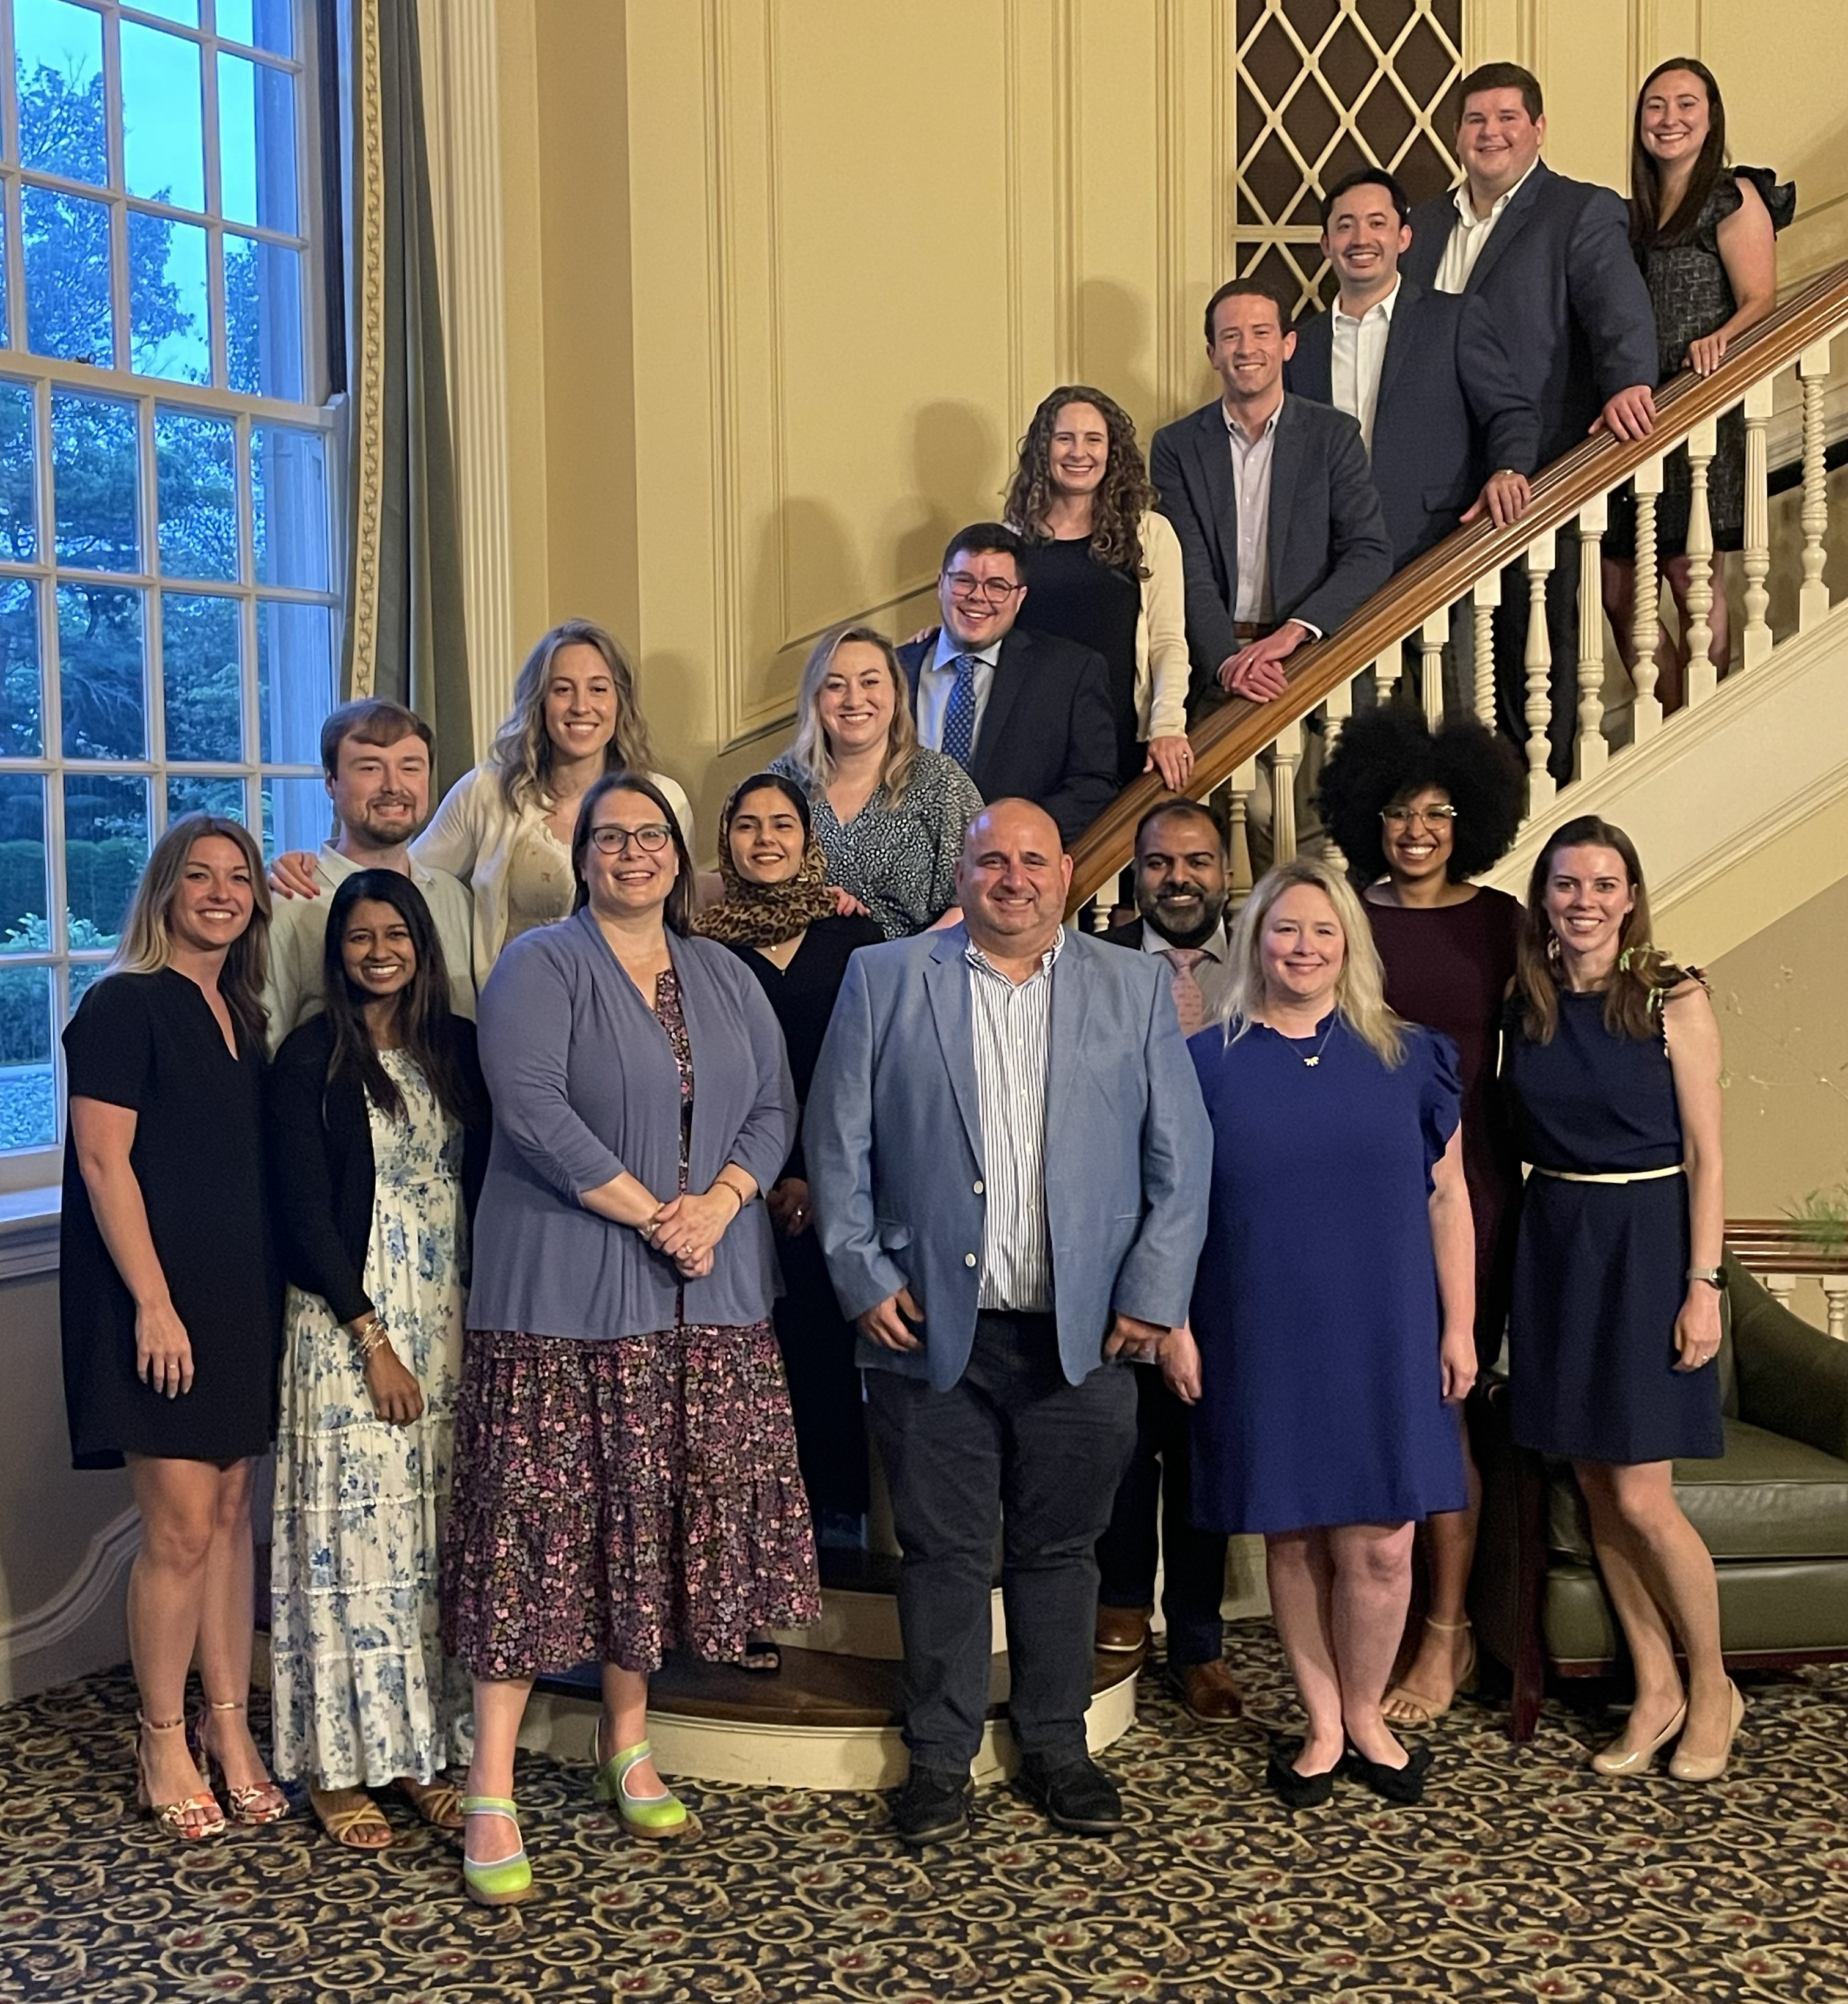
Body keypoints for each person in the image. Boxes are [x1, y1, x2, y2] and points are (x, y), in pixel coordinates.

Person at [440, 772, 816, 1904]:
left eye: (653, 835)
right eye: (613, 837)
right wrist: (656, 1210)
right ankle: (490, 1783)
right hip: (565, 1291)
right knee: (534, 1525)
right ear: (583, 854)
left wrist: (721, 1201)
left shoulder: (721, 971)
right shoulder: (538, 964)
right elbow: (534, 1109)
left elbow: (771, 1105)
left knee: (649, 1523)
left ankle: (627, 1737)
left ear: (679, 855)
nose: (635, 853)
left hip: (704, 1293)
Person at [805, 799, 1211, 1848]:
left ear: (1066, 873)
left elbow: (1181, 1158)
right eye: (993, 859)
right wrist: (858, 1274)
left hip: (1086, 1334)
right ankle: (937, 1759)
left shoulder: (1130, 988)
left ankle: (1054, 1746)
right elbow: (835, 1144)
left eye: (1034, 859)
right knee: (939, 1554)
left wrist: (1153, 1295)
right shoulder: (885, 979)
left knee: (1060, 1549)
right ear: (961, 871)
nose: (1014, 877)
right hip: (925, 1326)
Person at [1174, 857, 1476, 1808]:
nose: (1303, 948)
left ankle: (1370, 1714)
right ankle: (1323, 1722)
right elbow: (1173, 1206)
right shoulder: (1205, 1060)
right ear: (1256, 939)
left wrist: (1460, 1322)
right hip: (1259, 1322)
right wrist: (1175, 1322)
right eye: (1284, 929)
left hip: (1386, 1325)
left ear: (1351, 945)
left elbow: (1448, 1196)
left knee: (1384, 1540)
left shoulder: (1410, 1054)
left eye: (1323, 932)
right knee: (1295, 1534)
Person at [59, 813, 286, 1841]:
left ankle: (229, 1726)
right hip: (158, 1303)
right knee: (183, 1527)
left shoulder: (241, 1008)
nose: (220, 891)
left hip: (242, 1297)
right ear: (162, 890)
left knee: (234, 1513)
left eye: (237, 876)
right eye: (198, 874)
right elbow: (105, 1164)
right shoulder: (123, 1002)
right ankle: (161, 1739)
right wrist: (153, 1300)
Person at [1503, 815, 1742, 1781]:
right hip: (1556, 1240)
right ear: (1545, 899)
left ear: (1631, 896)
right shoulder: (1524, 1003)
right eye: (1567, 884)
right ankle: (1656, 1685)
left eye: (1605, 884)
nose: (1585, 901)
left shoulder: (1673, 997)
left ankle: (1714, 1682)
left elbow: (1710, 1156)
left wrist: (1702, 1285)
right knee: (1596, 1483)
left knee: (1643, 1493)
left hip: (1649, 1244)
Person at [267, 871, 491, 1849]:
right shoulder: (310, 1056)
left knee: (431, 1552)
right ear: (337, 949)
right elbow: (302, 1216)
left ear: (421, 942)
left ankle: (416, 1752)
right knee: (351, 1553)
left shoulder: (459, 1048)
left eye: (394, 933)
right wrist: (373, 1339)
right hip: (348, 1324)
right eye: (359, 936)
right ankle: (333, 1765)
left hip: (449, 1321)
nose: (377, 950)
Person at [1315, 707, 1527, 1727]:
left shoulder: (1499, 921)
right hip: (1350, 1197)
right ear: (1370, 813)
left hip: (1465, 1190)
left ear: (1467, 820)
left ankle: (1445, 1625)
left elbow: (1560, 1028)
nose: (1416, 828)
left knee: (1441, 1405)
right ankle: (1379, 1617)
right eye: (1399, 809)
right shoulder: (1340, 913)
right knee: (1363, 1403)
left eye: (1438, 811)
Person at [1402, 62, 1659, 784]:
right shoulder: (1418, 227)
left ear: (1538, 129)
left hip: (1538, 472)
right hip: (1433, 479)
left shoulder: (1579, 211)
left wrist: (1631, 385)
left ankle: (1543, 806)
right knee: (1439, 667)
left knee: (1529, 650)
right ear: (1457, 135)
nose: (1492, 133)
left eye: (1508, 117)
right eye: (1476, 119)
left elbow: (1620, 320)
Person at [275, 623, 694, 990]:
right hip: (515, 1010)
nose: (581, 706)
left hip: (631, 1004)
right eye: (562, 689)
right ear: (539, 701)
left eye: (598, 689)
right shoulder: (489, 789)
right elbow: (402, 880)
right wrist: (319, 866)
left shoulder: (665, 799)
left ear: (619, 701)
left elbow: (682, 909)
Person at [693, 773, 884, 1549]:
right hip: (733, 1184)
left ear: (809, 839)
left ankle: (834, 1526)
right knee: (748, 1360)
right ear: (725, 841)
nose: (765, 839)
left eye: (782, 824)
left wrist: (812, 1171)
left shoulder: (857, 939)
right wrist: (759, 1176)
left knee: (827, 1349)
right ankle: (752, 1535)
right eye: (747, 825)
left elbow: (872, 1070)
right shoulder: (700, 948)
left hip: (839, 1175)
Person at [1093, 800, 1239, 1723]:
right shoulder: (1094, 962)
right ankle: (1117, 1611)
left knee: (1204, 1444)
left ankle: (1199, 1639)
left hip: (1231, 1243)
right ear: (1135, 873)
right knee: (1119, 1439)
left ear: (1225, 868)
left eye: (1197, 860)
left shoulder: (1268, 956)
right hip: (1118, 1236)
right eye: (1157, 863)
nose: (1177, 877)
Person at [1603, 59, 1793, 713]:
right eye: (1656, 106)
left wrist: (1723, 336)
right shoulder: (1633, 212)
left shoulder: (1732, 194)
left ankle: (1702, 714)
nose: (1670, 118)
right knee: (1616, 581)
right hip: (1637, 417)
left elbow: (1761, 298)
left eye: (1686, 104)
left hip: (1701, 413)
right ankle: (1671, 711)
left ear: (1710, 117)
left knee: (1691, 572)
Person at [1148, 279, 1393, 717]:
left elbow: (1369, 552)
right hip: (1212, 663)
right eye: (1231, 336)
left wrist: (1296, 632)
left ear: (1288, 344)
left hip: (1309, 653)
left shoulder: (1334, 436)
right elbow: (1189, 569)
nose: (1246, 348)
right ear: (1213, 354)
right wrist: (1227, 663)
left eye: (1262, 332)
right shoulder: (1176, 446)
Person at [1286, 168, 1539, 574]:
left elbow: (1510, 413)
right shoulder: (1300, 347)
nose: (1361, 239)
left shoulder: (1453, 319)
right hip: (1331, 565)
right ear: (1326, 244)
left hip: (1436, 552)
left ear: (1403, 237)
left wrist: (1508, 470)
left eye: (1377, 223)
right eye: (1345, 226)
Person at [1003, 385, 1194, 793]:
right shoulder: (1010, 538)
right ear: (1043, 448)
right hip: (1030, 739)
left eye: (1094, 439)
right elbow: (984, 628)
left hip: (1119, 736)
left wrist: (1167, 725)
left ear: (1113, 451)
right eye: (1064, 439)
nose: (1079, 452)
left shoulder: (1150, 533)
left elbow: (1167, 642)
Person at [260, 700, 475, 1047]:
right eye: (370, 768)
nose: (393, 786)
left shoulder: (454, 898)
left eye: (410, 768)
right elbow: (267, 1045)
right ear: (331, 782)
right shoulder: (290, 904)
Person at [896, 526, 1119, 848]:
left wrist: (1012, 836)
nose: (978, 596)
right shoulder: (892, 671)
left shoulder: (1070, 674)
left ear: (1019, 597)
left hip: (1011, 876)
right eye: (964, 581)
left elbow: (1094, 784)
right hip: (897, 878)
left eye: (997, 586)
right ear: (941, 584)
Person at [769, 625, 981, 939]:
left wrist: (905, 963)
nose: (854, 700)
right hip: (796, 973)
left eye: (870, 682)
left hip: (914, 973)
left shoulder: (942, 783)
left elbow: (974, 896)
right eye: (836, 685)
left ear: (896, 693)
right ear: (815, 697)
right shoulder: (780, 783)